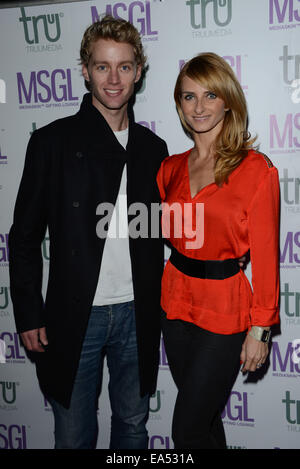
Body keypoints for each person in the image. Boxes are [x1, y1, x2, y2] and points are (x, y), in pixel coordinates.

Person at [8, 16, 168, 449]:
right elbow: (23, 238)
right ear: (84, 70)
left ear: (139, 71)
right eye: (102, 66)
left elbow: (158, 238)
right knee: (74, 436)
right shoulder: (51, 143)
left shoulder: (153, 150)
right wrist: (28, 314)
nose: (113, 79)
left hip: (138, 314)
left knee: (133, 429)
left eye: (124, 67)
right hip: (74, 315)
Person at [156, 52, 280, 449]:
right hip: (173, 306)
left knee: (187, 429)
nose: (199, 106)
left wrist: (260, 329)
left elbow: (265, 258)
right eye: (188, 97)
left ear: (228, 100)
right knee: (205, 422)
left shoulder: (256, 170)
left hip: (224, 312)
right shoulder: (169, 169)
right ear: (179, 105)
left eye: (210, 95)